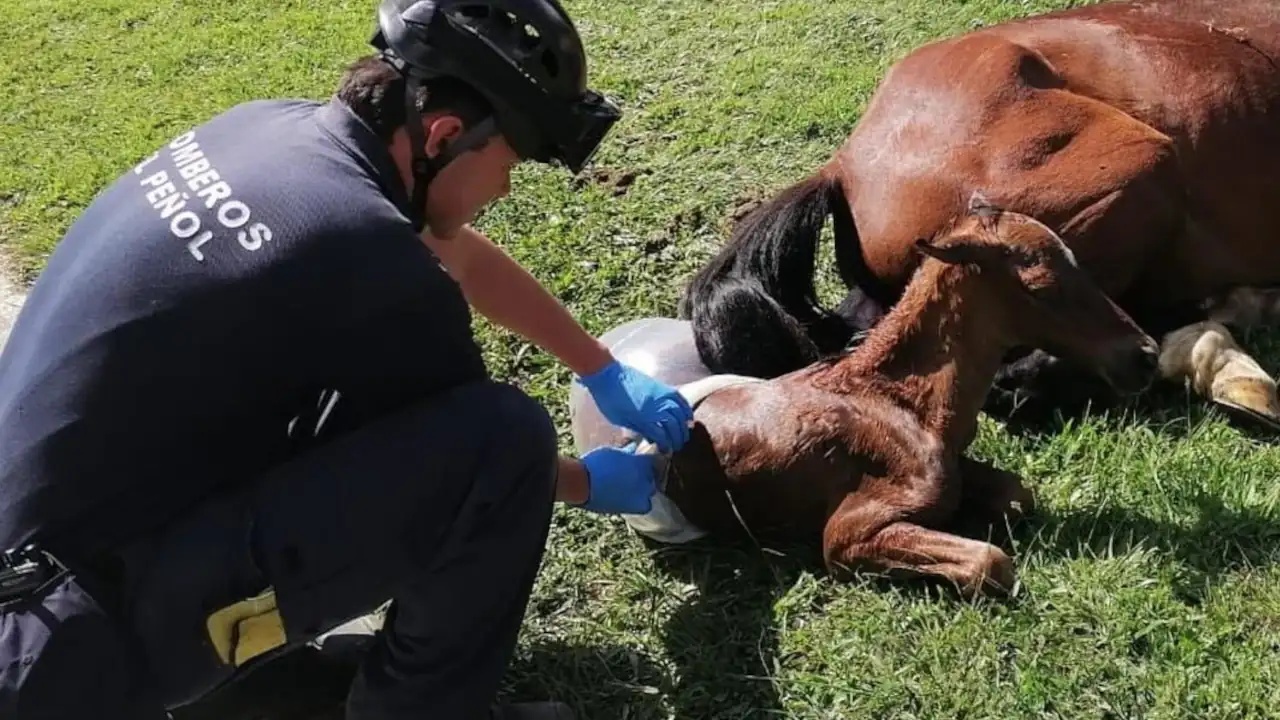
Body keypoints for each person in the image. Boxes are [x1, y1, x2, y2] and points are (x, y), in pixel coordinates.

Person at [0, 0, 695, 718]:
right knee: (506, 438)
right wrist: (594, 483)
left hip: (45, 574)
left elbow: (446, 249)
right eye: (509, 163)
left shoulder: (278, 135)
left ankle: (240, 689)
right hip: (57, 657)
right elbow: (485, 470)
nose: (506, 190)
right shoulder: (368, 253)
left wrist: (599, 367)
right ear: (446, 133)